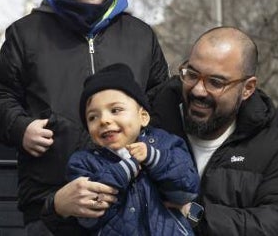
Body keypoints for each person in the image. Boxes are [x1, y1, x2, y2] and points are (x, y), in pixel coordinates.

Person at [0, 0, 170, 235]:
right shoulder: (25, 35)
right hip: (52, 205)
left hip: (131, 205)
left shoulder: (141, 37)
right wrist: (21, 128)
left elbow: (160, 108)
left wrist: (145, 157)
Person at [149, 26, 278, 235]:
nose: (198, 90)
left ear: (248, 88)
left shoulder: (273, 149)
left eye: (215, 82)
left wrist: (197, 215)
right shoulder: (147, 123)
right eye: (192, 74)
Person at [67, 63, 199, 235]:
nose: (104, 120)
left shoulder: (165, 143)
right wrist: (123, 170)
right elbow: (89, 217)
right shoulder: (82, 162)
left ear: (143, 117)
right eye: (93, 117)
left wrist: (155, 158)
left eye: (115, 110)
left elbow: (187, 188)